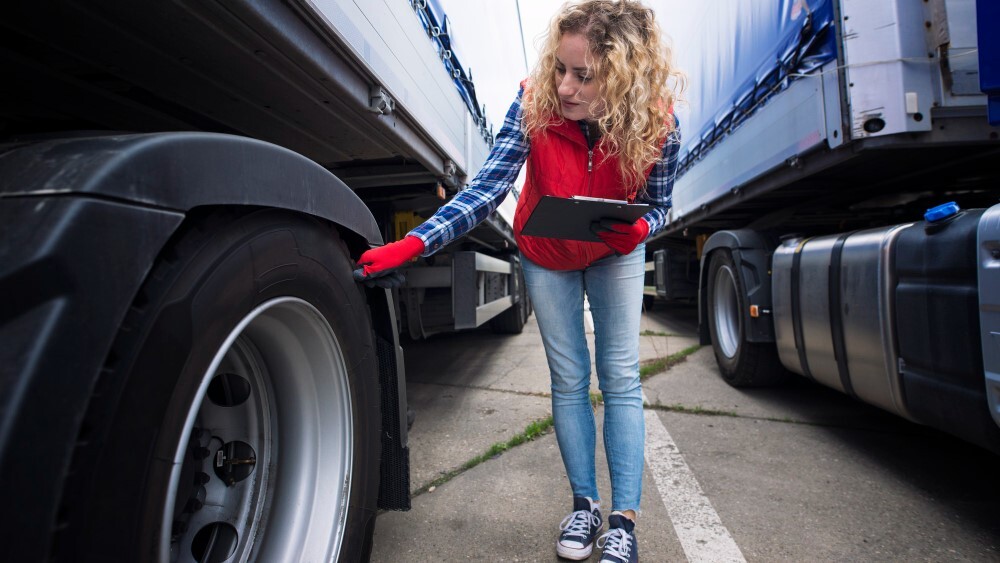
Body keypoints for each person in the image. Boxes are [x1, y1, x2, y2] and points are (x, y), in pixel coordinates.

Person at [355, 1, 682, 561]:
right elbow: (488, 187)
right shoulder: (535, 101)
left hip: (613, 252)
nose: (566, 86)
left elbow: (661, 205)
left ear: (624, 76)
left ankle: (623, 521)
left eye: (584, 75)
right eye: (561, 67)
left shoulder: (658, 124)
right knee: (569, 377)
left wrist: (642, 228)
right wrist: (415, 243)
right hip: (546, 250)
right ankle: (584, 505)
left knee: (620, 376)